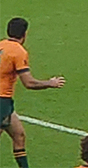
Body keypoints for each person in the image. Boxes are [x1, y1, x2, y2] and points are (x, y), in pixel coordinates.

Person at [1, 18, 65, 168]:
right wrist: (50, 83)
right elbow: (29, 83)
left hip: (6, 103)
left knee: (19, 135)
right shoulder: (18, 52)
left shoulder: (1, 45)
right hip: (1, 102)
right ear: (24, 34)